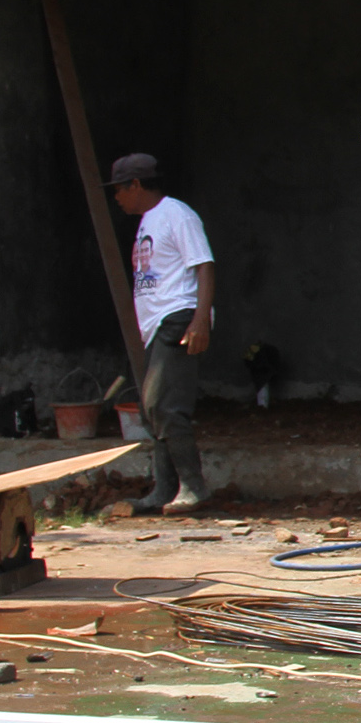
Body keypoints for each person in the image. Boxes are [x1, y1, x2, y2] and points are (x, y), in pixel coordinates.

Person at [108, 153, 215, 515]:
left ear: (136, 184)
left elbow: (203, 266)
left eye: (120, 189)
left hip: (179, 318)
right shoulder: (148, 222)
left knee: (165, 404)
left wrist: (200, 319)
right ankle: (164, 490)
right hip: (157, 325)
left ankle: (193, 488)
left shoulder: (176, 215)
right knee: (152, 409)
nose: (117, 197)